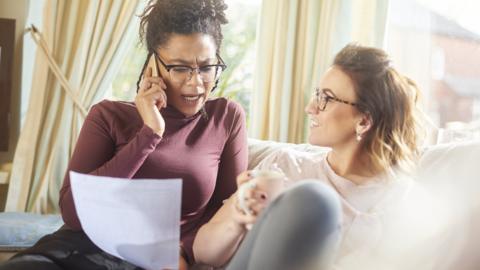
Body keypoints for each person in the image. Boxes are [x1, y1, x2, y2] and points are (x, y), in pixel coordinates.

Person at [0, 0, 247, 269]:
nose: (196, 82)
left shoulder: (226, 118)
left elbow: (225, 212)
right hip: (75, 251)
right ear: (154, 63)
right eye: (179, 67)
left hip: (150, 261)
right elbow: (72, 212)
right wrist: (150, 133)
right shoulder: (108, 115)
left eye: (207, 67)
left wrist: (181, 251)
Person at [193, 44, 428, 270]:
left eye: (326, 98)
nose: (310, 108)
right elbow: (203, 253)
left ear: (364, 121)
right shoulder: (282, 166)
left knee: (315, 200)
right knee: (313, 198)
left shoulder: (404, 200)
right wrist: (238, 217)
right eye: (317, 94)